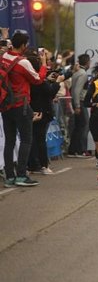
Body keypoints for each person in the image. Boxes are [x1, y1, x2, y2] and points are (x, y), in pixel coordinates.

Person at [2, 31, 46, 188]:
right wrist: (44, 64)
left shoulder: (3, 58)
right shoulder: (23, 62)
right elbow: (37, 80)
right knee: (26, 140)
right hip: (21, 105)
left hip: (5, 105)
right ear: (23, 45)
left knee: (9, 141)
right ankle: (21, 175)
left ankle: (9, 177)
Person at [27, 53, 61, 175]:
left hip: (29, 111)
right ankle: (43, 165)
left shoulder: (27, 79)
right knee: (40, 139)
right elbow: (50, 92)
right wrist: (58, 82)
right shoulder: (38, 80)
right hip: (42, 112)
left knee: (30, 139)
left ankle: (31, 165)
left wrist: (47, 79)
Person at [67, 53, 90, 157]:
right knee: (84, 125)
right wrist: (77, 105)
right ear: (87, 62)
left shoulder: (76, 73)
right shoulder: (83, 74)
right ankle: (81, 150)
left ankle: (73, 150)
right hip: (80, 101)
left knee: (78, 126)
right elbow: (77, 90)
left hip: (77, 101)